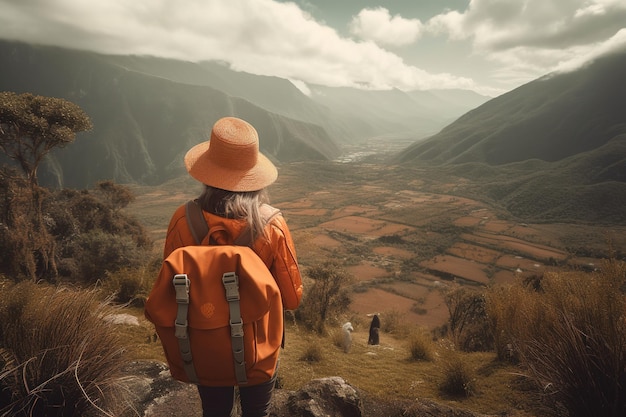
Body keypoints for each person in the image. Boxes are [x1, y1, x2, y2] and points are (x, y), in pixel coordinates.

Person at [162, 116, 303, 417]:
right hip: (259, 347)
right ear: (253, 174)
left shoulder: (182, 220)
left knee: (214, 411)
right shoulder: (271, 225)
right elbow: (292, 299)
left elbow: (169, 288)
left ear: (207, 170)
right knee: (257, 412)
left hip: (203, 341)